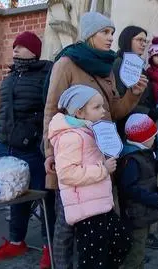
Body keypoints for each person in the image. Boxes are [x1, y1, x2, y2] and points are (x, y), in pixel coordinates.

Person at [43, 12, 147, 269]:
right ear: (90, 34)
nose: (111, 38)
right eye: (105, 33)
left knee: (100, 222)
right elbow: (51, 110)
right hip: (71, 157)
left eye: (112, 33)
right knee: (66, 225)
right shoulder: (67, 63)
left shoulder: (107, 68)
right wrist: (49, 153)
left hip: (102, 155)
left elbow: (114, 111)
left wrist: (133, 95)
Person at [0, 31, 55, 269]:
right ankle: (16, 241)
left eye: (21, 46)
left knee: (45, 198)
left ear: (34, 50)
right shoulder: (9, 77)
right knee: (16, 198)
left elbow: (50, 111)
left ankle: (50, 248)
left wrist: (37, 139)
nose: (15, 49)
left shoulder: (47, 74)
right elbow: (2, 112)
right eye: (14, 46)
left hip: (32, 150)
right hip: (6, 148)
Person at [49, 85, 131, 269]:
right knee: (93, 260)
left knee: (122, 242)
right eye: (97, 107)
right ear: (79, 112)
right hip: (86, 211)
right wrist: (102, 169)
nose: (103, 111)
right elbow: (67, 174)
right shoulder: (70, 137)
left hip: (101, 204)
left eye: (102, 106)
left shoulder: (89, 131)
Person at [113, 25, 158, 251]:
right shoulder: (120, 65)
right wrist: (150, 112)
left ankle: (143, 233)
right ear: (127, 40)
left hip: (145, 132)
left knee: (147, 181)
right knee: (131, 187)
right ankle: (130, 240)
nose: (144, 43)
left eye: (146, 40)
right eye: (139, 39)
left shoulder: (141, 66)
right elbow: (122, 102)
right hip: (128, 134)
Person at [117, 113, 158, 268]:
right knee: (135, 255)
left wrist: (157, 191)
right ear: (142, 138)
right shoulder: (132, 159)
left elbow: (144, 183)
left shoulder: (141, 154)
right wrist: (153, 198)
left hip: (141, 213)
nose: (155, 139)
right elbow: (130, 189)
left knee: (139, 252)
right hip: (135, 215)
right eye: (152, 136)